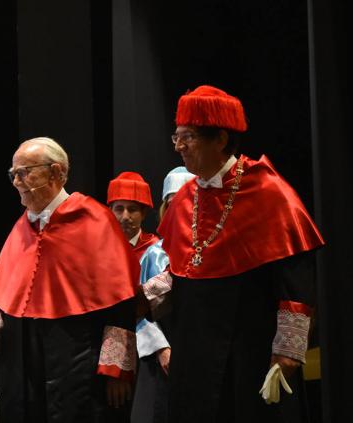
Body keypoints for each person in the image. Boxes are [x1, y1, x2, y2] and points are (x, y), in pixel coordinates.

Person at [139, 85, 325, 422]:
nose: (179, 147)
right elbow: (182, 271)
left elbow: (295, 282)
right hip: (194, 350)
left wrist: (288, 351)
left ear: (220, 139)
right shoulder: (185, 198)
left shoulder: (268, 192)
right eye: (176, 137)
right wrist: (142, 298)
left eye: (188, 137)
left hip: (249, 347)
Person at [0, 137, 139, 423]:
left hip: (78, 360)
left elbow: (120, 303)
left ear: (56, 173)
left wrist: (116, 371)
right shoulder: (22, 227)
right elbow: (1, 299)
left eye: (25, 172)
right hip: (23, 366)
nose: (17, 181)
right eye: (13, 174)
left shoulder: (95, 220)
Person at [131, 167, 195, 423]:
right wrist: (161, 349)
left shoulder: (212, 248)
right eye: (172, 203)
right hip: (162, 357)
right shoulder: (155, 253)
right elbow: (140, 311)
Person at [107, 172, 160, 260]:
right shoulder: (101, 247)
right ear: (110, 211)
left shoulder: (155, 251)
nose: (125, 217)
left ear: (143, 213)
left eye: (132, 209)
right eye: (119, 209)